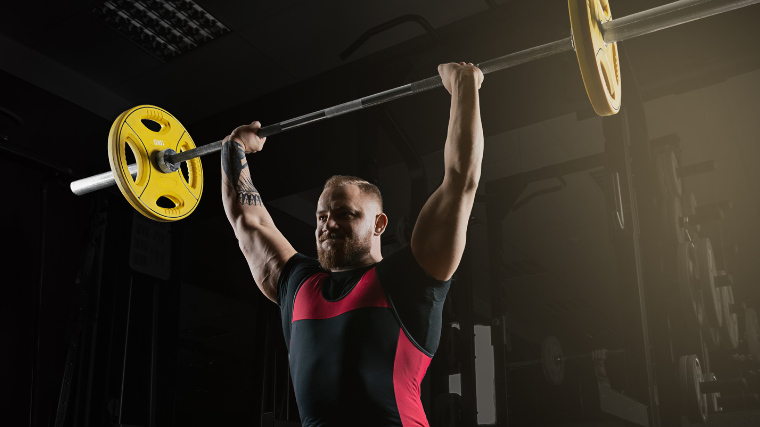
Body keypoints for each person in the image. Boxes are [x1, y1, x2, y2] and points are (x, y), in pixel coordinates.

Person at [221, 62, 484, 427]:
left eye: (344, 214)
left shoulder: (408, 280)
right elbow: (246, 220)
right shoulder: (298, 285)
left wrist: (464, 88)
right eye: (321, 216)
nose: (328, 224)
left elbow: (459, 182)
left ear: (379, 224)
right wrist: (234, 148)